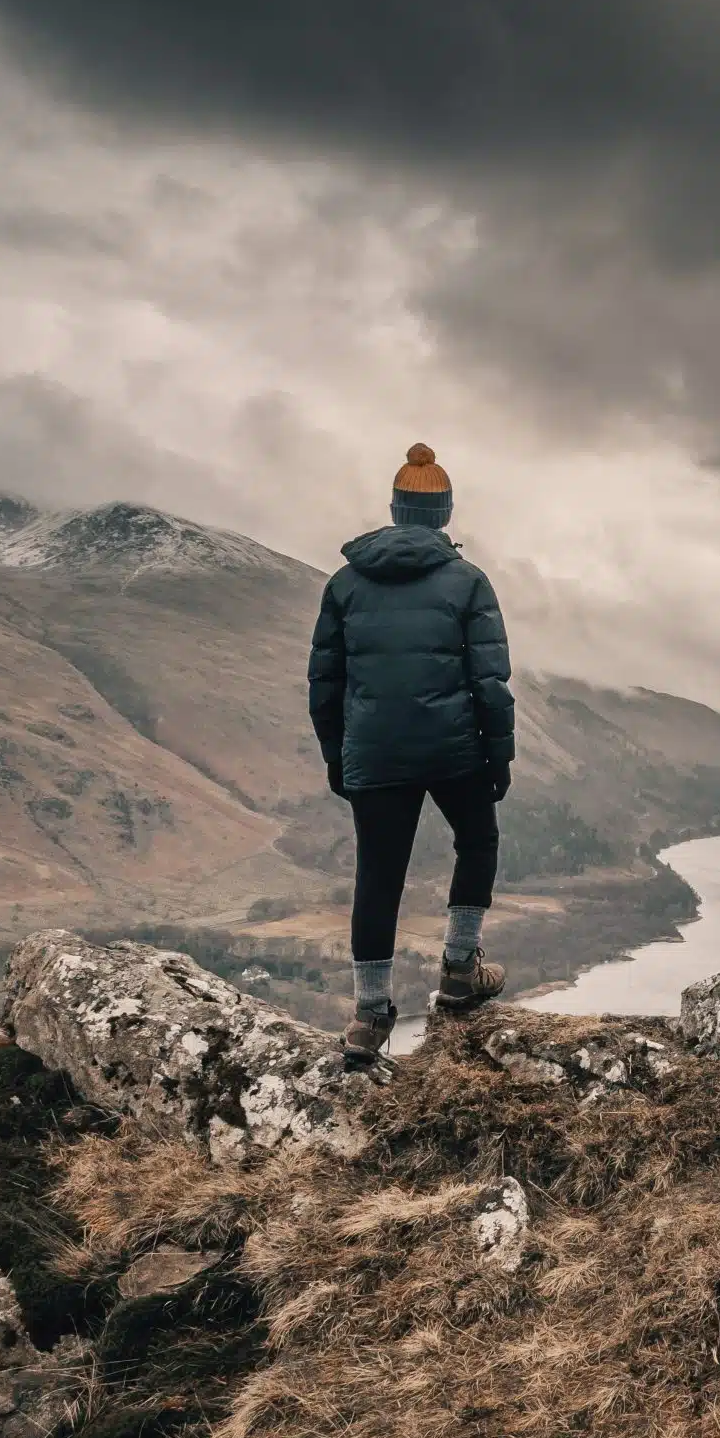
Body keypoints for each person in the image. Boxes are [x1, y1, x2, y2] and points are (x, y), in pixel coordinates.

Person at [308, 443, 515, 1066]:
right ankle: (458, 968)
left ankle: (369, 1016)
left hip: (373, 752)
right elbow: (490, 681)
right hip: (454, 749)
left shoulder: (344, 584)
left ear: (395, 510)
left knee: (378, 873)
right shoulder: (468, 582)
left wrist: (337, 755)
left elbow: (326, 683)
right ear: (445, 513)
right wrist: (497, 756)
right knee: (476, 841)